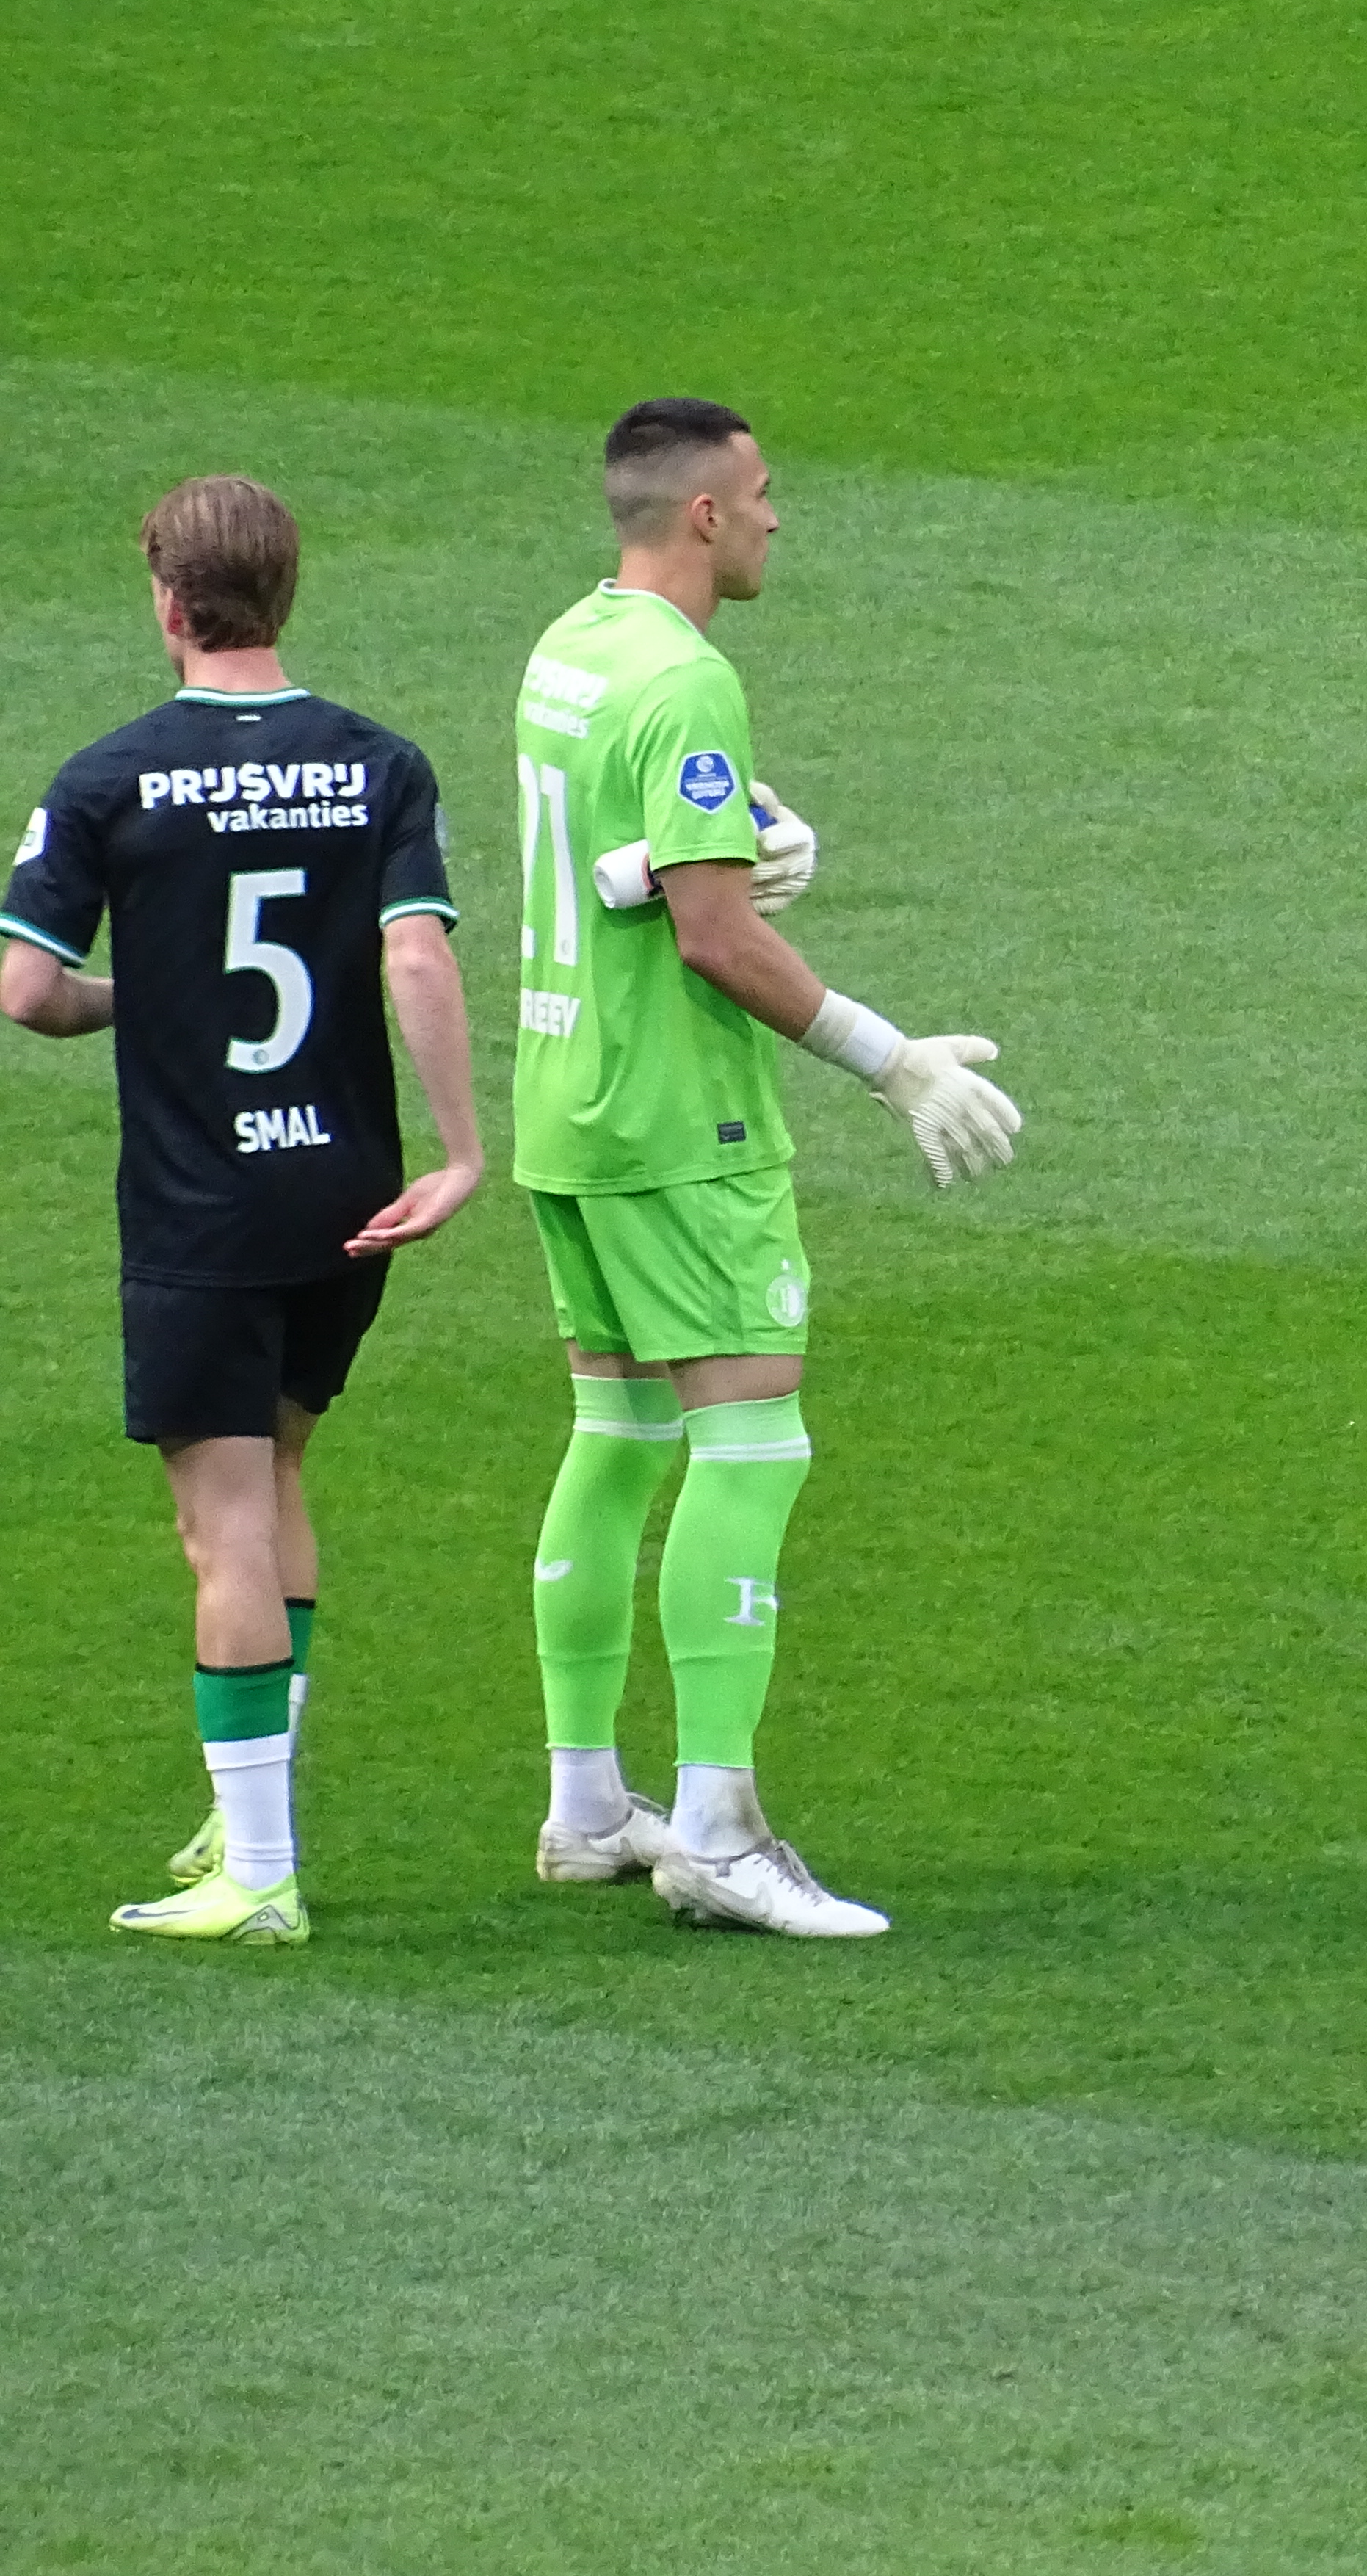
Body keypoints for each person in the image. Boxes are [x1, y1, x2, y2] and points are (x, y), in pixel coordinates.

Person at [512, 397, 1022, 1941]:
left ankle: (587, 1803)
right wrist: (894, 1059)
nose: (779, 518)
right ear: (706, 516)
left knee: (616, 1434)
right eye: (764, 494)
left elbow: (621, 852)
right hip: (680, 1125)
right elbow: (714, 935)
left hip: (565, 1102)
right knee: (750, 1445)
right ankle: (720, 1834)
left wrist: (740, 828)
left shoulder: (572, 647)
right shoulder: (689, 681)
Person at [2, 475, 483, 1943]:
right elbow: (416, 957)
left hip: (202, 1212)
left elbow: (26, 991)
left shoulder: (107, 780)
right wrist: (461, 1152)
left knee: (220, 1527)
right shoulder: (381, 764)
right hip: (347, 1195)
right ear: (288, 590)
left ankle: (261, 1870)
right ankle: (246, 1811)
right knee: (275, 1483)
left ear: (168, 601)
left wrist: (142, 997)